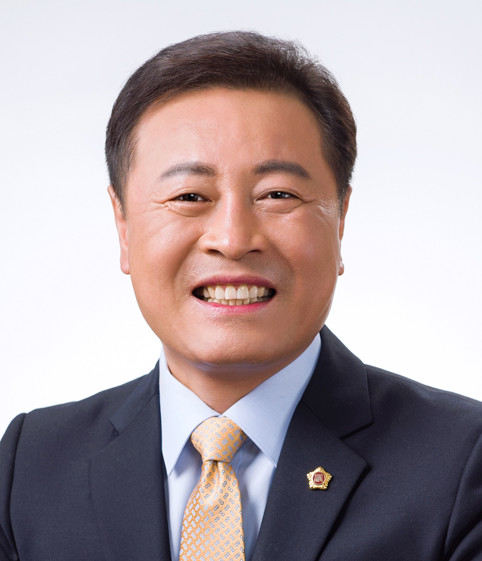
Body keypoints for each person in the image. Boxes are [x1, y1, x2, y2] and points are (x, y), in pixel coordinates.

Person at [0, 30, 481, 561]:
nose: (232, 239)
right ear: (124, 225)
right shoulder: (30, 466)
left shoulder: (462, 462)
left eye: (277, 195)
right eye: (189, 195)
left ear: (340, 219)